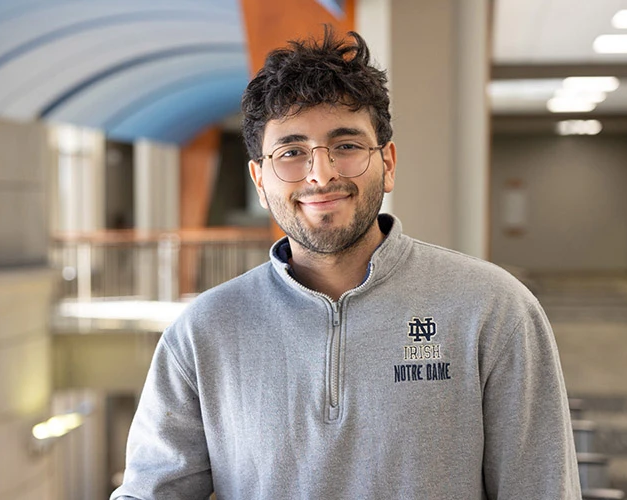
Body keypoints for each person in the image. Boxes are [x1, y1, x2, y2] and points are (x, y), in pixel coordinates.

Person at [112, 28, 581, 499]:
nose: (321, 174)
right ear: (260, 180)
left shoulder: (493, 308)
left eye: (347, 146)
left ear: (388, 163)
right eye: (291, 153)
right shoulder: (203, 331)